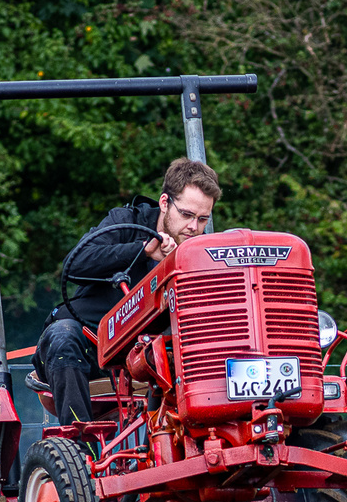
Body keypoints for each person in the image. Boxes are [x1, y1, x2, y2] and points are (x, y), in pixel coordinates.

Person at [36, 157, 220, 423]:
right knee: (63, 335)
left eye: (203, 219)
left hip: (159, 354)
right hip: (92, 350)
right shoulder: (125, 222)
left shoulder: (204, 253)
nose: (194, 227)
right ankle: (79, 451)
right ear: (165, 203)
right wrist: (142, 251)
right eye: (187, 215)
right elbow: (75, 264)